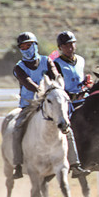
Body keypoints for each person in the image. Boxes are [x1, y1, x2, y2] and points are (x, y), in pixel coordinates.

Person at [11, 32, 90, 179]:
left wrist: (55, 90)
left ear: (35, 45)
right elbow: (27, 83)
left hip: (49, 103)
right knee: (17, 129)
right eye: (23, 47)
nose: (26, 49)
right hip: (29, 105)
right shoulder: (18, 67)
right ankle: (18, 165)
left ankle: (75, 164)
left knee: (66, 127)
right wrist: (42, 91)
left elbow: (55, 75)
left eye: (28, 45)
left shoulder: (46, 60)